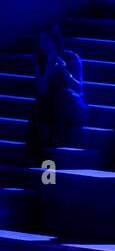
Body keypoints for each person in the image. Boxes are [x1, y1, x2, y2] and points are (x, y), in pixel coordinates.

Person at [25, 25, 87, 161]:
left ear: (55, 41)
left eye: (46, 41)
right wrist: (48, 69)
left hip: (71, 103)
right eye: (41, 41)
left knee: (61, 97)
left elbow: (79, 89)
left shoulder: (71, 57)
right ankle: (38, 149)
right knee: (41, 104)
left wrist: (65, 72)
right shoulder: (39, 59)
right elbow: (40, 89)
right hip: (49, 103)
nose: (43, 45)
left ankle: (53, 142)